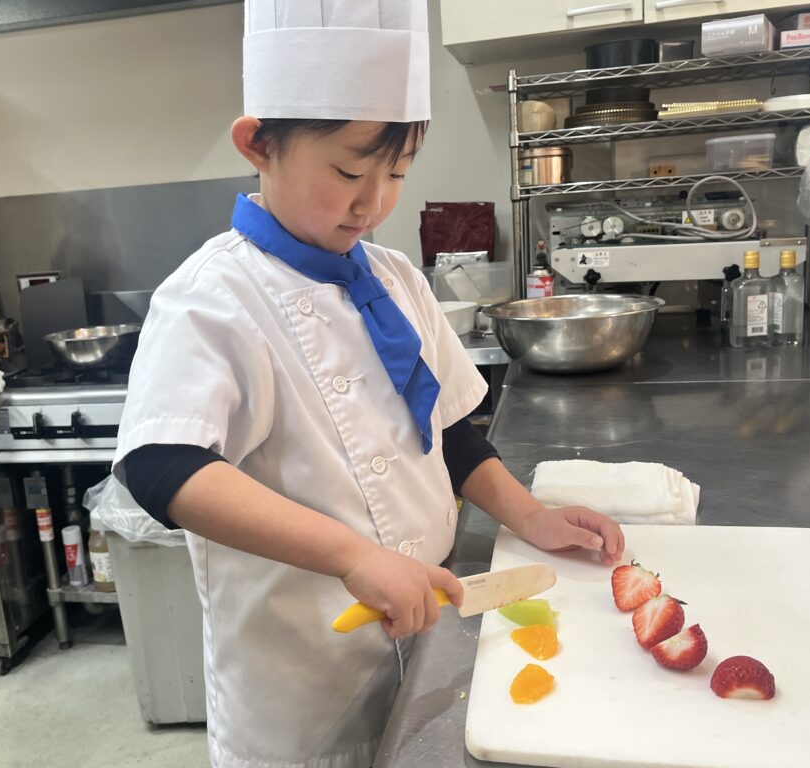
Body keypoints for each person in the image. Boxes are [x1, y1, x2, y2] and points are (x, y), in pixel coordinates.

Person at [114, 3, 625, 767]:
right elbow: (162, 467)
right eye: (350, 172)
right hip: (300, 683)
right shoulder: (211, 297)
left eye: (397, 173)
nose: (375, 201)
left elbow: (447, 432)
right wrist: (352, 554)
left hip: (426, 633)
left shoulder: (395, 277)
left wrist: (530, 515)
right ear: (259, 145)